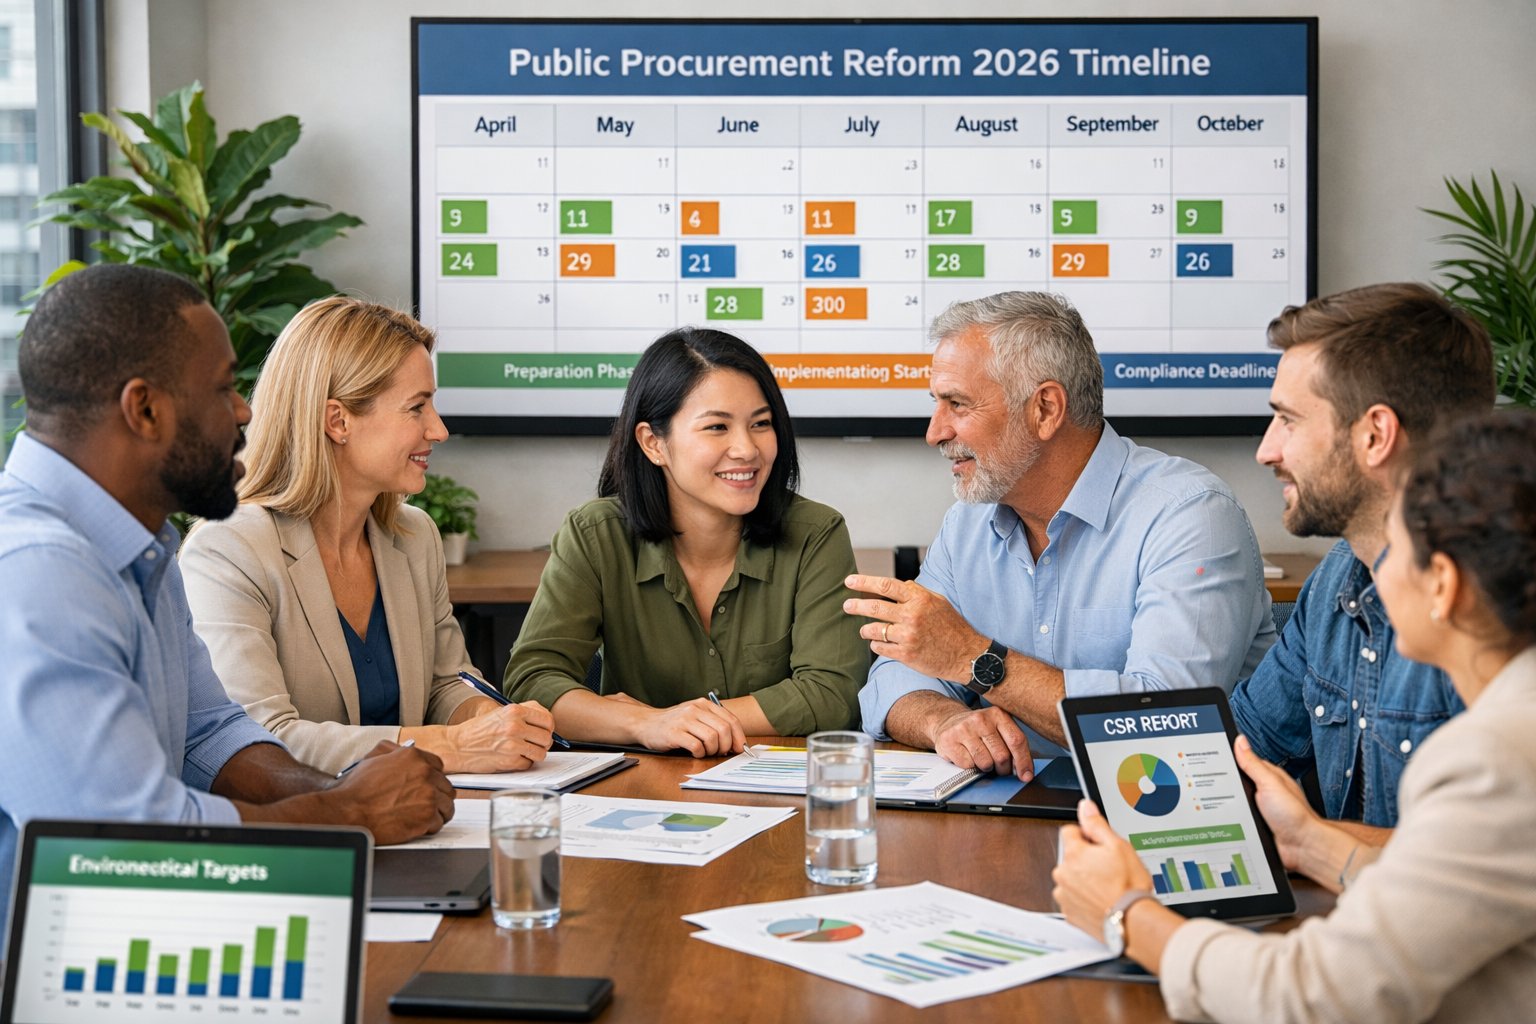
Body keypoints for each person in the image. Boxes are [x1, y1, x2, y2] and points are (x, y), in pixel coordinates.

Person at [0, 265, 453, 920]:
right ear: (145, 409)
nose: (245, 411)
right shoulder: (42, 573)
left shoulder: (138, 546)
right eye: (223, 388)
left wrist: (342, 789)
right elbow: (130, 848)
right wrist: (348, 812)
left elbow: (208, 735)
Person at [1053, 409, 1536, 1023]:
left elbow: (1311, 994)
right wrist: (1310, 842)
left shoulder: (1495, 759)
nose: (1373, 571)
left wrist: (1126, 913)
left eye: (1396, 547)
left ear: (1441, 584)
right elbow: (1451, 895)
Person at [851, 291, 1273, 778]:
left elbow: (1166, 726)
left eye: (957, 404)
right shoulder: (966, 522)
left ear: (1046, 409)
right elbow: (897, 671)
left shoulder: (1189, 515)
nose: (935, 431)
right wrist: (942, 719)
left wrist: (974, 657)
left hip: (1162, 824)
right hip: (1009, 814)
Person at [181, 297, 555, 775]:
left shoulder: (414, 535)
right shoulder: (229, 550)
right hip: (309, 834)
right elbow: (257, 741)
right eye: (417, 407)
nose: (438, 429)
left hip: (423, 819)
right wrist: (452, 746)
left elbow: (447, 685)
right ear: (338, 421)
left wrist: (492, 721)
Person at [503, 327, 866, 755]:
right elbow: (533, 680)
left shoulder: (816, 534)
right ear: (653, 443)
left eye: (761, 424)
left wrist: (686, 724)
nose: (747, 449)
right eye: (717, 427)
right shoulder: (594, 534)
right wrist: (648, 724)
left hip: (778, 788)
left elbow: (832, 695)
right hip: (636, 790)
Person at [1228, 283, 1494, 831]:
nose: (1266, 450)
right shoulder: (1338, 576)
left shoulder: (1497, 609)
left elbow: (1485, 864)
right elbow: (1246, 753)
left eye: (1289, 420)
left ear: (1376, 435)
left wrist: (1315, 843)